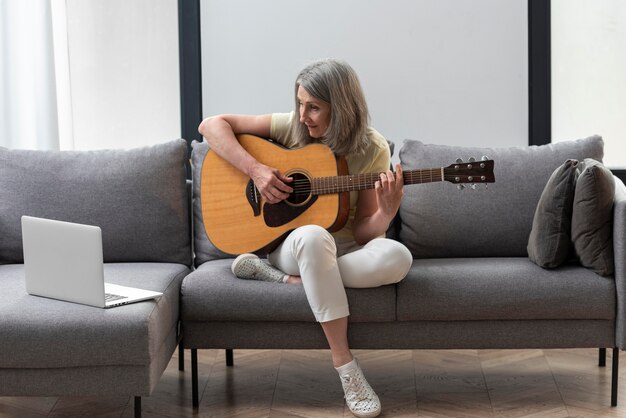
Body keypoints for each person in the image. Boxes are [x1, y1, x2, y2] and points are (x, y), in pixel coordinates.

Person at [198, 58, 412, 418]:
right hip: (294, 247)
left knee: (398, 258)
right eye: (300, 103)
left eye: (313, 107)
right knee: (313, 236)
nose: (302, 115)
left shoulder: (373, 148)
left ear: (341, 108)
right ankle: (346, 366)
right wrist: (256, 170)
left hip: (341, 251)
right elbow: (210, 125)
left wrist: (386, 213)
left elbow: (362, 230)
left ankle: (297, 281)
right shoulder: (291, 127)